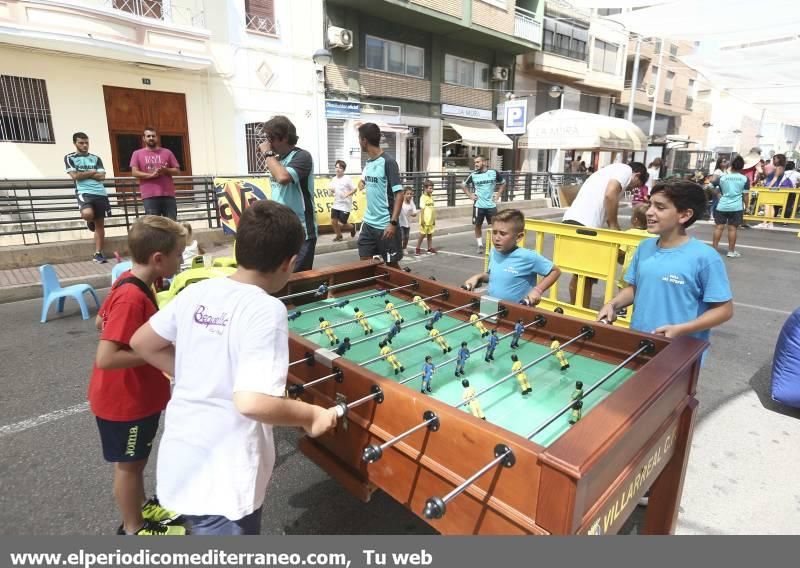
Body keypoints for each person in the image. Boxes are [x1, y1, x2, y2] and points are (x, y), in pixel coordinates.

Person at [130, 200, 339, 535]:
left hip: (182, 463)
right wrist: (312, 415)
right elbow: (252, 402)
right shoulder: (266, 310)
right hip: (225, 478)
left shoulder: (198, 291)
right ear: (290, 263)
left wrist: (198, 374)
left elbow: (142, 342)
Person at [90, 216, 188, 536]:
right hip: (124, 402)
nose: (182, 260)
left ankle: (143, 508)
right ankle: (133, 528)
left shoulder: (132, 281)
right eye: (179, 254)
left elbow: (99, 322)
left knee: (137, 461)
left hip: (136, 396)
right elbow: (106, 357)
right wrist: (150, 350)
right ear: (158, 259)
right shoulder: (132, 294)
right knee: (129, 467)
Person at [596, 180, 733, 359]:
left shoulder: (705, 257)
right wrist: (612, 304)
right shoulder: (644, 247)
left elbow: (724, 310)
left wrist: (681, 329)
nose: (650, 212)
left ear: (684, 215)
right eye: (650, 204)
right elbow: (635, 288)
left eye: (660, 207)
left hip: (679, 354)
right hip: (639, 344)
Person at [563, 162, 648, 308]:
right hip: (586, 224)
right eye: (634, 186)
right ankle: (581, 313)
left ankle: (575, 308)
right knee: (588, 276)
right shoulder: (624, 169)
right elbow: (610, 194)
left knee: (579, 273)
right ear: (637, 174)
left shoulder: (606, 171)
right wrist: (614, 225)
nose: (630, 189)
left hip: (572, 220)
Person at [463, 209, 561, 305]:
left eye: (503, 234)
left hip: (518, 314)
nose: (497, 238)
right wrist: (478, 277)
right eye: (494, 232)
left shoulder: (527, 256)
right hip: (491, 307)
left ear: (519, 237)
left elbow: (555, 271)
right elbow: (495, 276)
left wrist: (537, 290)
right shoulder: (494, 252)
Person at [259, 116, 318, 271]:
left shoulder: (302, 156)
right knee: (280, 280)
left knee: (297, 282)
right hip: (281, 229)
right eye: (267, 138)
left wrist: (267, 154)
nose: (268, 142)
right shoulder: (277, 160)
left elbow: (283, 177)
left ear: (285, 137)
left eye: (271, 138)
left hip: (301, 231)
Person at [357, 123, 404, 266]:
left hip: (385, 225)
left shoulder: (388, 162)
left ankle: (400, 288)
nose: (359, 142)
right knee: (366, 263)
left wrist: (393, 223)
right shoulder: (369, 163)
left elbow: (400, 194)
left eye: (359, 139)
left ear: (364, 140)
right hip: (368, 223)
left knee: (392, 268)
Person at [65, 132, 110, 263]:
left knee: (100, 225)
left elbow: (102, 176)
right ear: (75, 143)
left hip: (100, 193)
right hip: (84, 192)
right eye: (81, 143)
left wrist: (82, 174)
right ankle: (90, 221)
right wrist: (91, 172)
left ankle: (98, 253)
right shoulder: (70, 157)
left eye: (86, 143)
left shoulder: (96, 158)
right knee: (87, 214)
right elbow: (74, 176)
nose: (84, 145)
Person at [130, 127, 180, 220]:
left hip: (167, 195)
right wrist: (151, 175)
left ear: (157, 138)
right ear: (144, 138)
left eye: (153, 136)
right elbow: (134, 172)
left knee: (171, 225)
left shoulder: (167, 152)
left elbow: (177, 171)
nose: (151, 138)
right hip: (149, 196)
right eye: (148, 136)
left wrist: (166, 170)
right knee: (153, 227)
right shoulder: (137, 153)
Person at [462, 156, 506, 253]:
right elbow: (463, 185)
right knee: (478, 225)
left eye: (477, 162)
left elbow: (503, 183)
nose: (476, 164)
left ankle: (495, 244)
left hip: (491, 205)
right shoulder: (473, 174)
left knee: (495, 226)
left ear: (484, 162)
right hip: (478, 206)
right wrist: (470, 195)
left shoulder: (493, 172)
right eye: (475, 162)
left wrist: (498, 194)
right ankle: (480, 245)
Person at [711, 155, 749, 258]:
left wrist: (718, 195)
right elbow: (745, 195)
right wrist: (747, 206)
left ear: (731, 165)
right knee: (732, 229)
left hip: (722, 205)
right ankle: (731, 251)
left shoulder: (723, 177)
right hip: (736, 207)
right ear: (742, 167)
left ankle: (714, 250)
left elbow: (711, 186)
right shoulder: (744, 179)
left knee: (719, 228)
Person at [617, 204, 650, 292]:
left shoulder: (629, 233)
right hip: (644, 272)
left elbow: (621, 252)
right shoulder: (652, 235)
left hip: (628, 271)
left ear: (635, 220)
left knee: (623, 292)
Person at [329, 160, 357, 242]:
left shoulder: (347, 178)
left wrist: (347, 194)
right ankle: (339, 235)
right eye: (336, 167)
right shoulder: (334, 179)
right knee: (333, 222)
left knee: (341, 224)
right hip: (336, 203)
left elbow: (355, 189)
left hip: (345, 205)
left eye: (340, 168)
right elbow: (331, 190)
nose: (338, 169)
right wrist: (331, 191)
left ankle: (352, 227)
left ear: (343, 169)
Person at [415, 180, 437, 256]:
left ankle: (430, 248)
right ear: (425, 188)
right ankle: (417, 248)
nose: (432, 190)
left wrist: (434, 219)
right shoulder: (423, 197)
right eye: (430, 188)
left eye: (432, 188)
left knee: (430, 235)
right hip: (425, 220)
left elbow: (432, 209)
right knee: (422, 235)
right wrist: (422, 219)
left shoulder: (431, 197)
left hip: (431, 220)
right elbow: (422, 209)